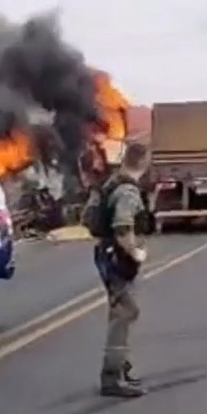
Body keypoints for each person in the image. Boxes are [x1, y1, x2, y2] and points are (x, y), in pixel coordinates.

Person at [82, 140, 150, 398]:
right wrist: (135, 251)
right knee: (125, 312)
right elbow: (123, 226)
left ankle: (121, 368)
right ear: (144, 162)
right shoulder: (128, 192)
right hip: (117, 258)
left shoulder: (110, 183)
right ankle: (112, 377)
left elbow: (88, 218)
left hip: (105, 254)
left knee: (120, 309)